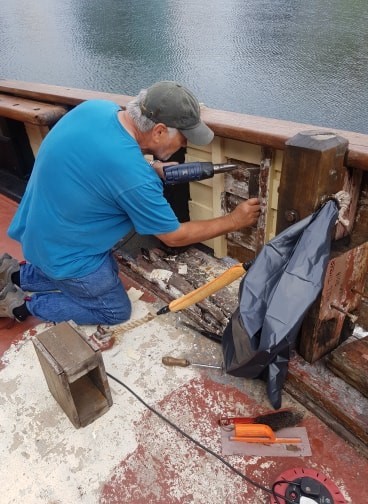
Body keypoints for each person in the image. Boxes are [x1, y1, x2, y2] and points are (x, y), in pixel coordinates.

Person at [0, 81, 260, 325]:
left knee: (103, 271)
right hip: (69, 255)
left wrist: (151, 166)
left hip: (39, 234)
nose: (185, 143)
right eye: (184, 138)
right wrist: (234, 221)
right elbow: (174, 236)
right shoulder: (132, 176)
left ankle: (15, 275)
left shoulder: (97, 108)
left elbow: (106, 162)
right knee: (115, 309)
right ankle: (19, 306)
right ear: (158, 131)